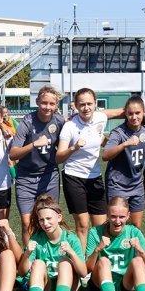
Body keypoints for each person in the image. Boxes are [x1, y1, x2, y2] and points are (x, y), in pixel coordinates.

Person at [56, 88, 124, 251]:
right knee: (83, 225)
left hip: (94, 177)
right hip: (73, 176)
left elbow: (123, 111)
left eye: (89, 104)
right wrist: (74, 148)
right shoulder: (69, 126)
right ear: (75, 105)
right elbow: (58, 158)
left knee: (101, 225)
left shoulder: (101, 117)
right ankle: (82, 262)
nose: (86, 108)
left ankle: (100, 259)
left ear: (95, 103)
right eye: (82, 104)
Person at [10, 85, 66, 246]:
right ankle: (29, 257)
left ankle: (51, 254)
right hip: (26, 178)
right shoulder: (27, 122)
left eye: (51, 104)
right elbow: (13, 154)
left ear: (56, 105)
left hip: (49, 176)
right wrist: (34, 144)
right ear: (37, 102)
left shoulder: (60, 122)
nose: (47, 107)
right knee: (27, 223)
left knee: (50, 219)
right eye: (44, 103)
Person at [18, 195, 86, 291]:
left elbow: (83, 273)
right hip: (46, 289)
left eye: (49, 218)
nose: (45, 223)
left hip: (69, 289)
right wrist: (27, 254)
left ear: (59, 217)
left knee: (65, 262)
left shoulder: (71, 238)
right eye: (41, 220)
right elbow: (22, 272)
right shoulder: (36, 239)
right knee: (38, 263)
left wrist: (71, 252)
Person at [103, 96, 145, 229]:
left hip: (137, 184)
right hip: (117, 185)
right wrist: (125, 144)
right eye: (130, 113)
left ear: (144, 112)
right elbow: (105, 155)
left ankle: (132, 244)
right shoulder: (118, 133)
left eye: (137, 113)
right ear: (125, 114)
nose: (134, 117)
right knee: (116, 224)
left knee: (136, 226)